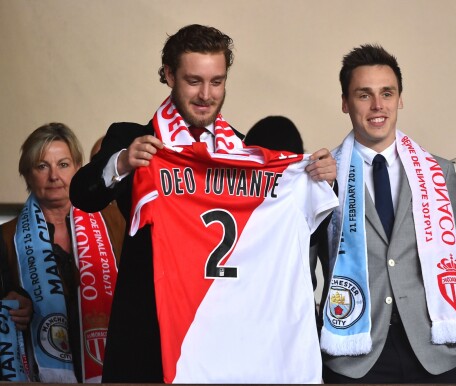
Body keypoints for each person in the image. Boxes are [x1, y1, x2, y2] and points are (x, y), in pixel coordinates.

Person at [69, 24, 337, 383]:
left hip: (226, 343)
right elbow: (82, 195)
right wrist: (120, 163)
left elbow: (290, 233)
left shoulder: (246, 152)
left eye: (217, 81)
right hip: (149, 343)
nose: (206, 95)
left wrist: (320, 182)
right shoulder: (134, 141)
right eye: (194, 81)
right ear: (168, 75)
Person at [314, 44, 456, 383]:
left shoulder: (441, 172)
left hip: (434, 354)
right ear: (345, 102)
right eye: (363, 95)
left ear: (399, 98)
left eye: (387, 93)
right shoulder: (323, 176)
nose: (377, 106)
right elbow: (304, 270)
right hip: (354, 356)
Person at [0, 123, 124, 382]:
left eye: (64, 164)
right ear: (27, 174)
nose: (54, 176)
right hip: (36, 371)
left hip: (114, 366)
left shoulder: (117, 220)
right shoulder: (6, 237)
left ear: (79, 169)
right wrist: (12, 306)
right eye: (42, 166)